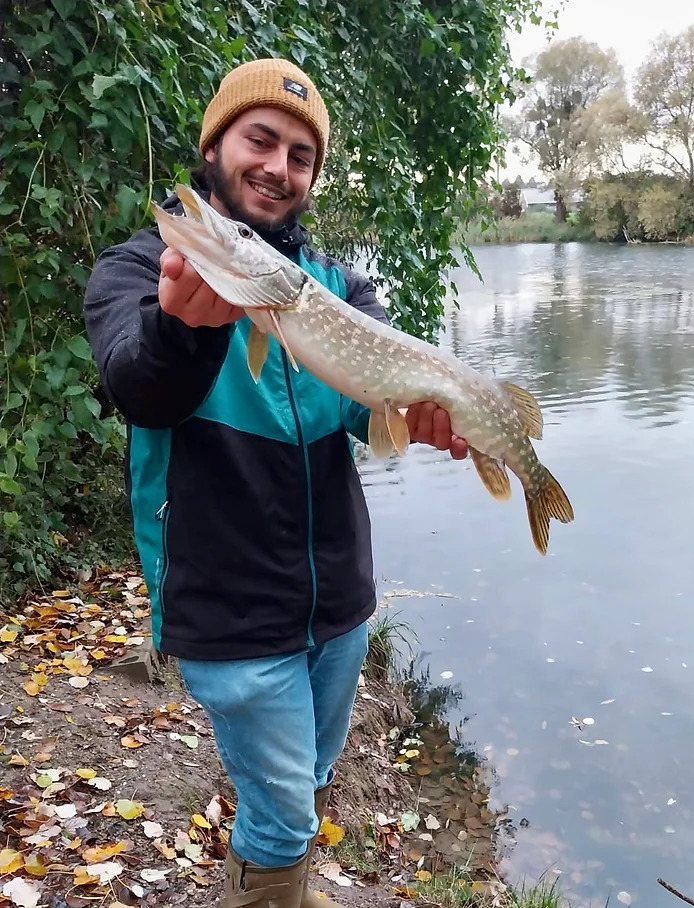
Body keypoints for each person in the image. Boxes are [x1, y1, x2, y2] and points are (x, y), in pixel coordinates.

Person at [83, 57, 467, 908]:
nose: (278, 167)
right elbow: (138, 387)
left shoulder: (338, 288)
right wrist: (183, 330)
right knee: (284, 818)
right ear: (213, 144)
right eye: (260, 139)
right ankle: (273, 880)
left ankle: (280, 875)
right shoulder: (139, 271)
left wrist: (432, 414)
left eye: (301, 155)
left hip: (338, 606)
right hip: (229, 606)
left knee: (308, 780)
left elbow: (376, 413)